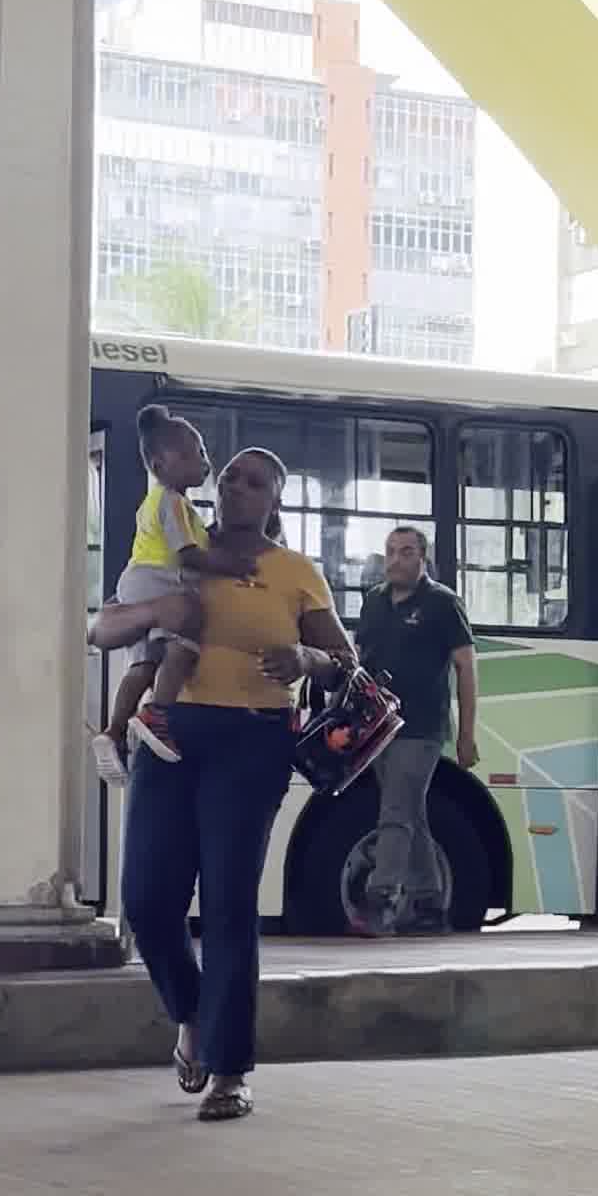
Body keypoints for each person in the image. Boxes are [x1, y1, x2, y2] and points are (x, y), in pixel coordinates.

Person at [118, 446, 355, 1121]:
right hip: (168, 732)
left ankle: (230, 1069)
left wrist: (307, 657)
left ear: (274, 499)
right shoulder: (178, 543)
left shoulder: (294, 573)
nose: (236, 487)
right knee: (146, 900)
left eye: (255, 482)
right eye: (229, 477)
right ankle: (192, 1012)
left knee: (227, 904)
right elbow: (116, 614)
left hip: (252, 741)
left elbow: (344, 662)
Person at [354, 522, 477, 931]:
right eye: (390, 551)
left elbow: (466, 667)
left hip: (420, 728)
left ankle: (380, 896)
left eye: (406, 552)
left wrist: (466, 735)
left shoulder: (443, 603)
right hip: (375, 727)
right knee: (410, 811)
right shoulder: (373, 602)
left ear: (424, 559)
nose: (396, 559)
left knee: (394, 810)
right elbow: (359, 661)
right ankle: (429, 903)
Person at [89, 405, 214, 783]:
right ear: (160, 465)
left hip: (138, 581)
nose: (205, 463)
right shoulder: (173, 502)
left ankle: (113, 730)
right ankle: (157, 712)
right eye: (195, 454)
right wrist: (226, 565)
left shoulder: (161, 501)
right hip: (161, 581)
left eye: (204, 453)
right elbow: (186, 553)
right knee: (184, 645)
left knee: (144, 664)